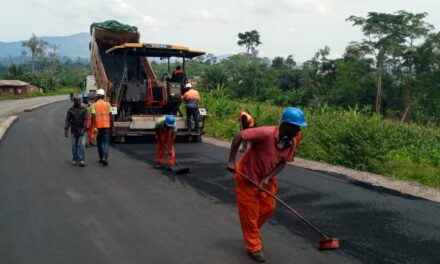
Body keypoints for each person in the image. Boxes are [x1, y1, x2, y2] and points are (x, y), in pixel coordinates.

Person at [226, 107, 307, 263]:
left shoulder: (292, 142)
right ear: (285, 125)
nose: (298, 130)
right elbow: (239, 136)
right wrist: (231, 160)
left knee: (268, 208)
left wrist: (269, 177)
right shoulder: (266, 133)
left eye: (299, 127)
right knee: (249, 215)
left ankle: (253, 232)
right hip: (247, 176)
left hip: (266, 178)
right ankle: (254, 247)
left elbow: (283, 162)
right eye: (296, 126)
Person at [91, 88, 114, 166]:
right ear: (104, 96)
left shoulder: (94, 105)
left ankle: (101, 157)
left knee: (99, 142)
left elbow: (93, 116)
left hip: (98, 127)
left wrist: (92, 126)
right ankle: (105, 156)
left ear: (97, 96)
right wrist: (112, 126)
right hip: (106, 126)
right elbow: (111, 115)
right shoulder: (108, 104)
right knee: (106, 142)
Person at [64, 96, 88, 167]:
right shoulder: (70, 110)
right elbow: (67, 120)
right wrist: (66, 129)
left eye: (79, 100)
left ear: (81, 101)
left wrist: (83, 129)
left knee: (82, 145)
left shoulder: (84, 109)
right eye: (76, 100)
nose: (78, 102)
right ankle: (75, 159)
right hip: (74, 130)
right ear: (74, 101)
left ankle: (81, 160)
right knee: (74, 146)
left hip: (82, 130)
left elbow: (86, 120)